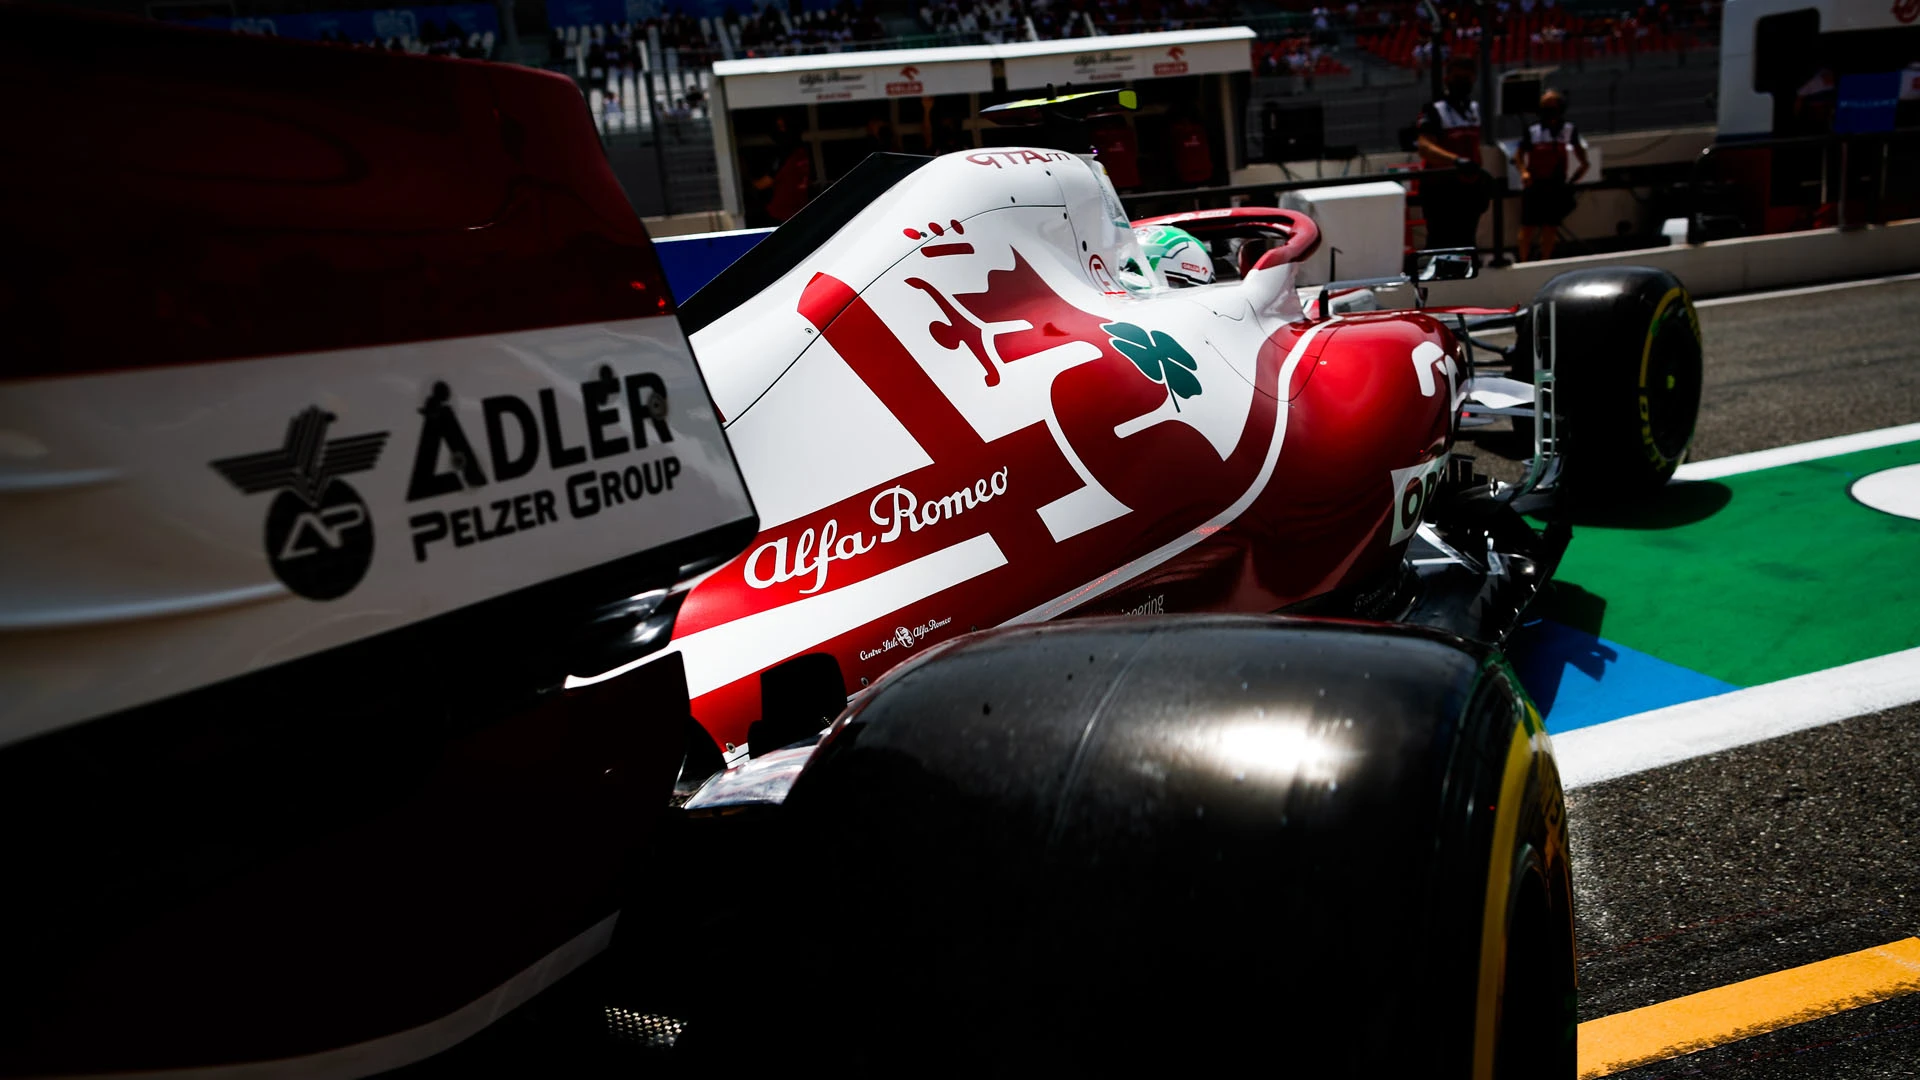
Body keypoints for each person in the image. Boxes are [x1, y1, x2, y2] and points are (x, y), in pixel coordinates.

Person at [1414, 58, 1491, 251]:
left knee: (1467, 242)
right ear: (1447, 78)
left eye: (1467, 77)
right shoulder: (1434, 110)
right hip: (1441, 191)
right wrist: (1456, 161)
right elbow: (1425, 147)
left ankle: (1467, 279)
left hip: (1469, 189)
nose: (1463, 81)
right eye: (1458, 77)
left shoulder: (1473, 109)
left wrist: (1479, 176)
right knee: (1441, 243)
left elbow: (1474, 147)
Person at [1512, 89, 1589, 261]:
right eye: (1546, 107)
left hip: (1556, 184)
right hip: (1534, 183)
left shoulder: (1568, 129)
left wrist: (1580, 171)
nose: (1550, 110)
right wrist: (1524, 172)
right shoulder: (1533, 130)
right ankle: (1523, 261)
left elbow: (1581, 155)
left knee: (1550, 226)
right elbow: (1518, 155)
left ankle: (1545, 259)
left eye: (1553, 106)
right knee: (1527, 226)